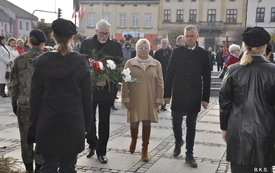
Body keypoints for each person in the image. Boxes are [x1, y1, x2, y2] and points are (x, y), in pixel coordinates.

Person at [28, 18, 93, 172]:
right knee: (69, 166)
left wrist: (33, 126)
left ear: (53, 36)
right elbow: (87, 97)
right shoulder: (81, 62)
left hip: (48, 121)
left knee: (48, 165)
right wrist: (87, 125)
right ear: (72, 37)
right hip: (73, 121)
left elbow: (35, 98)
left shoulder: (42, 61)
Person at [219, 26, 275, 173]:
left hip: (237, 130)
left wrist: (224, 127)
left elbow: (225, 103)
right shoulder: (273, 71)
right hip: (265, 131)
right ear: (264, 47)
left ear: (244, 46)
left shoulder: (233, 70)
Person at [164, 25, 211, 168]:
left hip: (194, 94)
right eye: (187, 36)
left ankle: (189, 154)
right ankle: (178, 141)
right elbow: (170, 73)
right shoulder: (177, 52)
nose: (189, 38)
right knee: (176, 122)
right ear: (184, 37)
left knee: (191, 125)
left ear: (197, 37)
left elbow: (207, 77)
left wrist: (205, 98)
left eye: (192, 36)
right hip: (178, 92)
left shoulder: (203, 53)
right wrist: (167, 95)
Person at [80, 19, 123, 164]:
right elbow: (81, 65)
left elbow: (119, 67)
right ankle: (92, 144)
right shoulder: (86, 44)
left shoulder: (115, 46)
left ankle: (101, 151)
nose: (104, 36)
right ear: (96, 31)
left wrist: (107, 80)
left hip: (106, 89)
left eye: (107, 33)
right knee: (89, 120)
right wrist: (91, 78)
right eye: (101, 33)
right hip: (89, 89)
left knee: (104, 121)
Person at [9, 29, 47, 173]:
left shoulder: (20, 59)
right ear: (43, 43)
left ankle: (28, 168)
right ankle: (39, 166)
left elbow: (13, 84)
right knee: (42, 136)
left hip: (24, 104)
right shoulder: (47, 58)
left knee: (25, 138)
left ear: (29, 41)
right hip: (44, 105)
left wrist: (14, 102)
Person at [121, 38, 164, 162]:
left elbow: (160, 82)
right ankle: (134, 140)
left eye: (145, 48)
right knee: (134, 122)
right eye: (140, 48)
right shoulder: (129, 63)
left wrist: (159, 98)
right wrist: (125, 98)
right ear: (136, 49)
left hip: (150, 97)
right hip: (134, 97)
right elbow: (125, 82)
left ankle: (144, 149)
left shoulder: (156, 64)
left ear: (149, 49)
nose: (143, 50)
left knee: (147, 122)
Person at [154, 38, 172, 111]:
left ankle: (164, 104)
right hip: (160, 72)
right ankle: (157, 104)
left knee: (166, 89)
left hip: (168, 73)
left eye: (165, 43)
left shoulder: (171, 52)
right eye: (162, 43)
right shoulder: (157, 53)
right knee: (158, 88)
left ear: (168, 44)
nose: (164, 44)